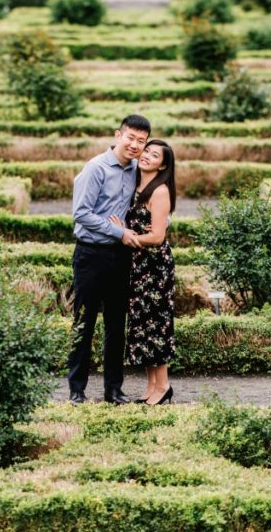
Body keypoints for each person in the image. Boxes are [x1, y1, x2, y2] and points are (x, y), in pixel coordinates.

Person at [67, 114, 152, 405]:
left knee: (117, 325)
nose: (135, 145)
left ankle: (113, 390)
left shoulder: (135, 170)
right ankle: (76, 389)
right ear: (118, 135)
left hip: (120, 255)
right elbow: (81, 213)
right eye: (131, 138)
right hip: (91, 254)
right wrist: (118, 231)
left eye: (141, 141)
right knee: (84, 322)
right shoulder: (96, 168)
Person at [110, 139, 177, 406]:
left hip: (155, 267)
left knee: (157, 325)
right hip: (138, 266)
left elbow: (158, 236)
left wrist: (127, 236)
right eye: (147, 151)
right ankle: (152, 386)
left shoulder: (159, 191)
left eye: (155, 155)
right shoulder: (137, 184)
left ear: (163, 165)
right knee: (143, 326)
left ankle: (163, 386)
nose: (147, 155)